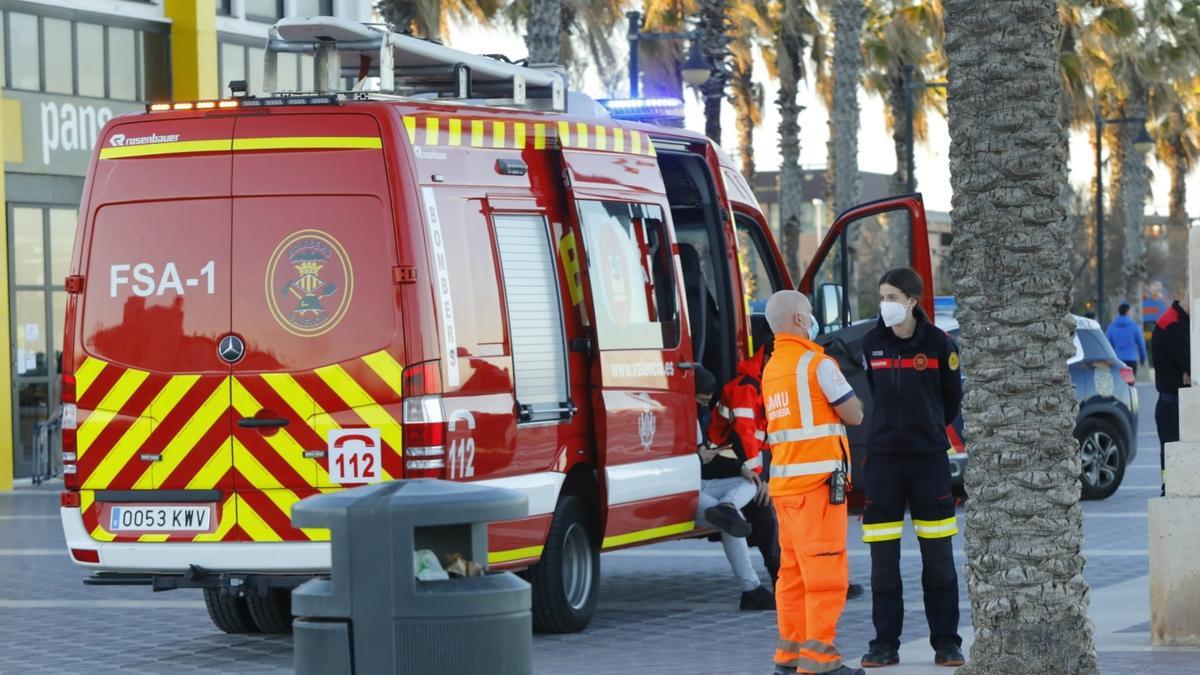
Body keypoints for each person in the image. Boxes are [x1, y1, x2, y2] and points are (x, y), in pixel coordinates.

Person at [858, 268, 964, 669]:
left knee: (937, 559)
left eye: (891, 296)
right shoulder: (871, 344)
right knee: (883, 565)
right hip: (883, 464)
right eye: (881, 295)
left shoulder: (940, 345)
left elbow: (950, 401)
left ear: (912, 301)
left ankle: (947, 643)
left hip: (928, 463)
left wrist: (927, 427)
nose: (884, 304)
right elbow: (874, 396)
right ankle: (885, 644)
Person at [762, 290, 865, 675]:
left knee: (791, 576)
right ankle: (820, 662)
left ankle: (788, 658)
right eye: (808, 312)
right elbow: (853, 414)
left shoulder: (772, 368)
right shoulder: (817, 363)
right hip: (818, 488)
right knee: (825, 576)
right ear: (800, 321)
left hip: (786, 488)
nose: (812, 318)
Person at [694, 364, 776, 610]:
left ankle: (729, 504)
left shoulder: (695, 420)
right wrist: (699, 458)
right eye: (700, 400)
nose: (705, 407)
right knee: (730, 520)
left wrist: (741, 469)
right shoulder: (677, 418)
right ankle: (751, 590)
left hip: (703, 485)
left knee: (750, 482)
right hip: (682, 491)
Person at [709, 342, 781, 588]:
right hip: (722, 460)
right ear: (768, 357)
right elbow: (744, 435)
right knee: (764, 509)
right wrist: (759, 478)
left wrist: (766, 478)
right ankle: (781, 578)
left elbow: (769, 441)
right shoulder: (746, 388)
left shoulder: (764, 386)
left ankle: (786, 578)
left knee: (771, 511)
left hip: (742, 465)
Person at [1151, 298, 1190, 497]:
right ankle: (1168, 492)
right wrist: (1189, 374)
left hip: (1174, 404)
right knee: (1172, 463)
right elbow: (1194, 367)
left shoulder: (1180, 321)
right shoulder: (1173, 325)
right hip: (1173, 407)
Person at [1106, 302, 1147, 374]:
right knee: (1130, 384)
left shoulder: (1111, 327)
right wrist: (1142, 358)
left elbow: (1108, 345)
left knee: (1118, 383)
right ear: (1128, 311)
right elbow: (1141, 344)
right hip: (1131, 359)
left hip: (1117, 360)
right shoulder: (1135, 326)